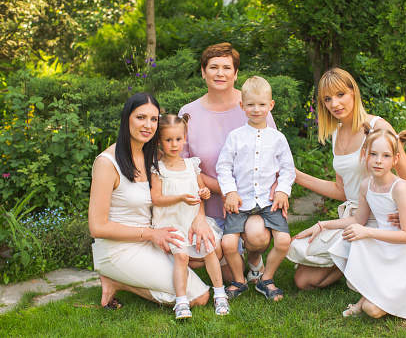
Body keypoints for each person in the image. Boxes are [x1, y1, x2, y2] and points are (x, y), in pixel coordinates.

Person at [287, 68, 406, 290]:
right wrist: (295, 176)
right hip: (355, 216)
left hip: (384, 219)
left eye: (340, 94)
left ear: (354, 92)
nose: (335, 104)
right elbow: (342, 190)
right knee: (304, 281)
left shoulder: (378, 128)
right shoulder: (336, 134)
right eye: (327, 99)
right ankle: (354, 259)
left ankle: (366, 261)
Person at [89, 92, 209, 311]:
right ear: (127, 119)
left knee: (200, 258)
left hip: (152, 239)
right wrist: (152, 234)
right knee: (198, 298)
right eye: (140, 117)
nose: (148, 125)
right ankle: (116, 280)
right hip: (118, 249)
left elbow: (191, 182)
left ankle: (126, 278)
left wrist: (200, 217)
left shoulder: (156, 155)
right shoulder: (107, 163)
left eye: (153, 119)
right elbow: (97, 227)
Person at [178, 43, 278, 288]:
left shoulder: (254, 107)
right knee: (230, 275)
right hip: (209, 205)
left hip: (249, 202)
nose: (220, 73)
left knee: (257, 236)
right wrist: (222, 190)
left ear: (235, 74)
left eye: (226, 68)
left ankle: (254, 257)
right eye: (213, 67)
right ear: (203, 72)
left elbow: (272, 156)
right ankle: (232, 259)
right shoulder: (188, 112)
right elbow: (184, 166)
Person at [319, 125, 406, 319]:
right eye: (373, 154)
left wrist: (368, 233)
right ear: (364, 155)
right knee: (355, 236)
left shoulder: (399, 188)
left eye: (386, 156)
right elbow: (358, 220)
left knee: (373, 310)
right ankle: (369, 295)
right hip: (386, 243)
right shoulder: (366, 185)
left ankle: (367, 300)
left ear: (395, 159)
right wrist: (323, 225)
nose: (378, 161)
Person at [216, 76, 295, 301]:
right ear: (242, 106)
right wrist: (229, 191)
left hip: (269, 202)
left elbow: (288, 169)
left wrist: (282, 190)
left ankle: (266, 279)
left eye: (262, 104)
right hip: (240, 201)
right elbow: (223, 166)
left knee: (283, 241)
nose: (256, 109)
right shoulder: (236, 137)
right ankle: (239, 281)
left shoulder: (278, 139)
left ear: (270, 105)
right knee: (228, 244)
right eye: (250, 104)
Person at [150, 114, 229, 318]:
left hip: (192, 219)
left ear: (185, 138)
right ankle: (181, 300)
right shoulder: (158, 169)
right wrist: (179, 198)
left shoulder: (191, 165)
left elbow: (202, 191)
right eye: (168, 140)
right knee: (182, 256)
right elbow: (156, 199)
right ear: (159, 141)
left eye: (178, 139)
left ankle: (219, 294)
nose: (174, 144)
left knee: (209, 250)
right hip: (171, 221)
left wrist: (205, 193)